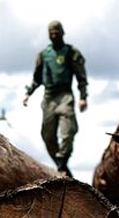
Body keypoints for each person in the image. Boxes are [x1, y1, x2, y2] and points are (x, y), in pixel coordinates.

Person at [23, 20, 87, 177]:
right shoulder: (44, 55)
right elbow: (37, 78)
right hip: (49, 97)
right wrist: (28, 94)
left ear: (62, 33)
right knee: (47, 135)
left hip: (65, 95)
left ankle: (62, 162)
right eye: (51, 34)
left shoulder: (71, 52)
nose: (54, 36)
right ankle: (61, 165)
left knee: (69, 130)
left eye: (56, 33)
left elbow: (81, 77)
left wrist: (83, 97)